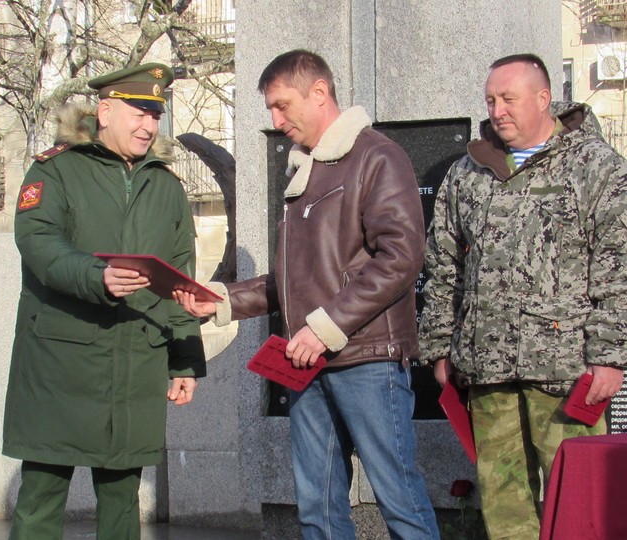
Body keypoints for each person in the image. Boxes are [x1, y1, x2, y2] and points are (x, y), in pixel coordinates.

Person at [174, 49, 439, 539]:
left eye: (282, 105)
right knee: (317, 511)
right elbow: (294, 283)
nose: (276, 121)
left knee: (399, 501)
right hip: (308, 363)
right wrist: (223, 300)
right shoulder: (305, 171)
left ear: (319, 93)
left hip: (368, 360)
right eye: (271, 110)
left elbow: (402, 258)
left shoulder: (377, 157)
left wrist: (324, 328)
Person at [418, 54, 627, 539]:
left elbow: (626, 266)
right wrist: (441, 347)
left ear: (544, 98)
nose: (497, 110)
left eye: (509, 98)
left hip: (566, 370)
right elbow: (444, 265)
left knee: (580, 501)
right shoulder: (468, 173)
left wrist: (611, 356)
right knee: (503, 503)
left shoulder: (595, 167)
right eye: (491, 100)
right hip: (488, 368)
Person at [3, 62, 206, 539]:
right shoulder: (55, 169)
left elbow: (180, 280)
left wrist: (184, 359)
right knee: (40, 500)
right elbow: (37, 242)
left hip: (135, 364)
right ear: (105, 111)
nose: (149, 126)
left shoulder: (167, 186)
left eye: (155, 115)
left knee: (121, 504)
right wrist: (97, 276)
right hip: (59, 365)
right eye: (139, 113)